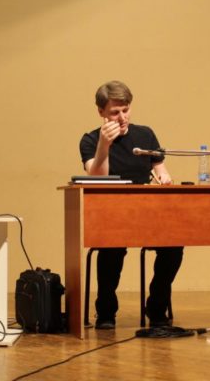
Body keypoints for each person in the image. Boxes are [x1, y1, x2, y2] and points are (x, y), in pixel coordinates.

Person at [79, 80, 184, 329]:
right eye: (115, 112)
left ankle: (156, 306)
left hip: (146, 213)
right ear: (101, 112)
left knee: (174, 245)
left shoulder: (145, 135)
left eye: (126, 110)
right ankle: (106, 311)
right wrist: (104, 145)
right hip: (111, 217)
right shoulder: (90, 140)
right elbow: (97, 177)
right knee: (112, 249)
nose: (122, 117)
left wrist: (165, 178)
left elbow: (160, 169)